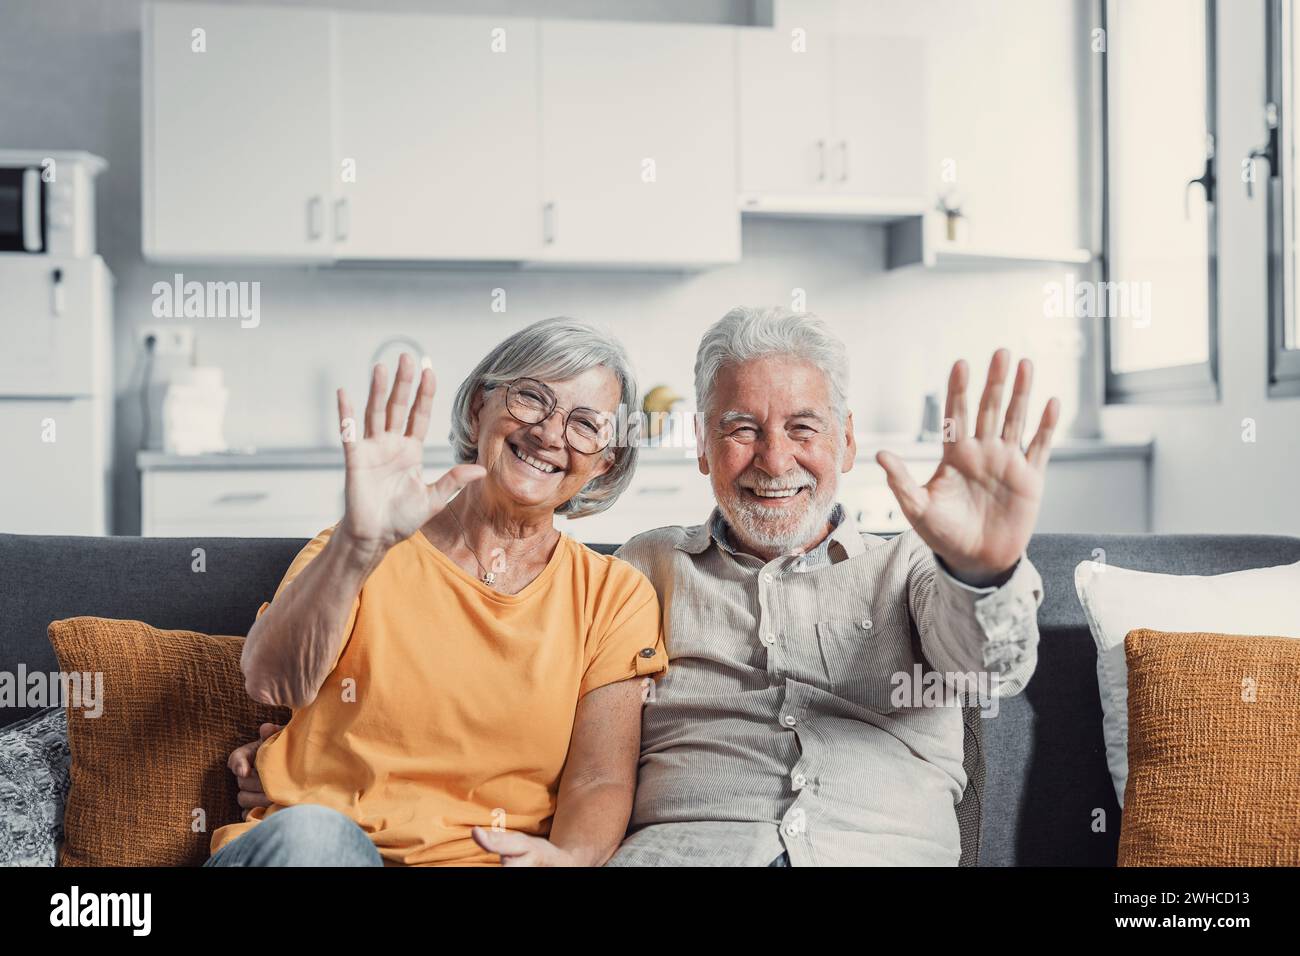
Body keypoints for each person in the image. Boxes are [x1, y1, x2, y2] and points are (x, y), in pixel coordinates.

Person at [231, 306, 1058, 867]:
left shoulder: (913, 571)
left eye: (802, 428)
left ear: (844, 439)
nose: (773, 460)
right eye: (740, 429)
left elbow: (986, 667)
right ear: (701, 447)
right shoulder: (645, 568)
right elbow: (285, 681)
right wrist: (296, 767)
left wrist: (982, 569)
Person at [206, 316, 666, 867]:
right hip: (320, 853)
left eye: (585, 425)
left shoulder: (613, 597)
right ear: (478, 407)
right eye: (531, 399)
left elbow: (599, 778)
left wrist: (564, 860)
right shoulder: (355, 550)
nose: (548, 433)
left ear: (603, 465)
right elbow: (271, 681)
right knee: (318, 843)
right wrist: (357, 545)